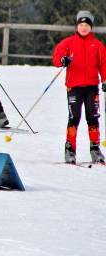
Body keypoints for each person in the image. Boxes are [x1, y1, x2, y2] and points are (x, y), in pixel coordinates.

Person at [52, 10, 106, 164]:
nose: (83, 27)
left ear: (91, 27)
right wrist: (63, 60)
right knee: (74, 117)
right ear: (77, 26)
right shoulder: (68, 42)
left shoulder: (97, 45)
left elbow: (104, 64)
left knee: (93, 117)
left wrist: (105, 80)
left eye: (86, 25)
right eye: (81, 24)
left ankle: (95, 148)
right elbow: (56, 58)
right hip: (74, 87)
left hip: (91, 87)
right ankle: (70, 150)